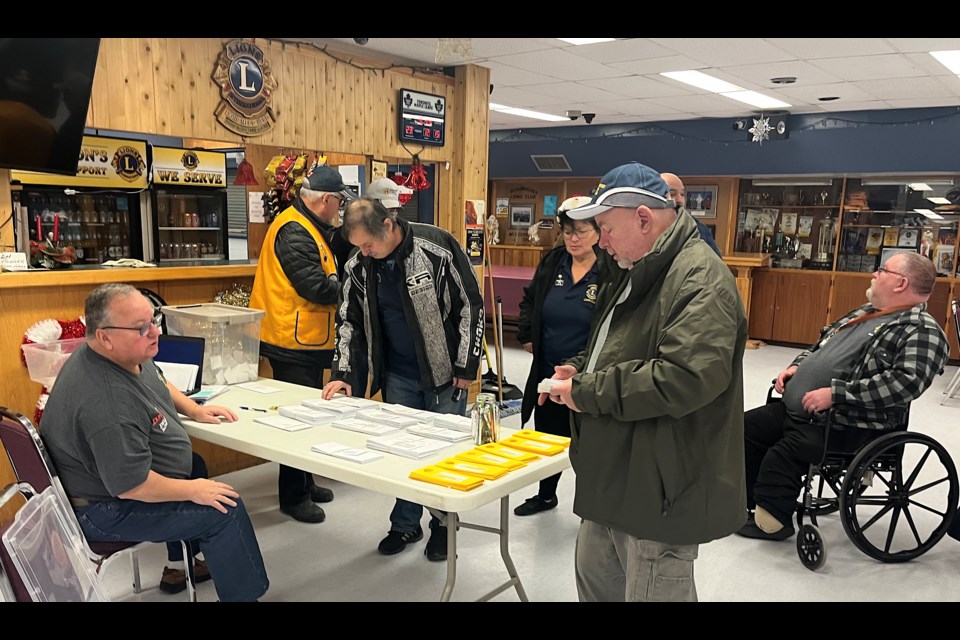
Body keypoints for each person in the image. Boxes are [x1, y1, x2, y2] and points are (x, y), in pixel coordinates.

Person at [542, 161, 747, 602]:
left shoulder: (700, 279)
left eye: (606, 228)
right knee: (598, 583)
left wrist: (587, 392)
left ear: (643, 218)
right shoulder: (638, 267)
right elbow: (620, 343)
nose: (603, 241)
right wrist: (583, 367)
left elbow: (684, 377)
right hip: (614, 471)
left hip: (660, 483)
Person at [40, 283, 269, 602]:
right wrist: (193, 490)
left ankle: (182, 564)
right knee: (223, 508)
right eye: (141, 327)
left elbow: (157, 378)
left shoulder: (119, 352)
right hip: (104, 510)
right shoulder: (106, 404)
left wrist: (194, 409)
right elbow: (131, 486)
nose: (154, 333)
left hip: (108, 487)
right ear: (105, 336)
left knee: (194, 466)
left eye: (154, 321)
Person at [738, 252, 949, 540]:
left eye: (881, 271)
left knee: (783, 455)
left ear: (900, 283)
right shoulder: (864, 313)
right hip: (804, 411)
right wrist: (797, 366)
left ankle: (773, 522)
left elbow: (905, 383)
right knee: (745, 429)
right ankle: (748, 502)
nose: (874, 275)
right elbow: (820, 347)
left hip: (850, 423)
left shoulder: (923, 331)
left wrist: (837, 394)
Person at [321, 197, 484, 562]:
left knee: (442, 456)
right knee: (402, 453)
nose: (365, 251)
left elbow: (471, 306)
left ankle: (443, 526)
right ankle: (405, 524)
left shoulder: (437, 247)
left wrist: (465, 368)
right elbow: (348, 321)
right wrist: (344, 374)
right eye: (359, 246)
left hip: (445, 376)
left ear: (389, 226)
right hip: (396, 374)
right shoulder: (359, 265)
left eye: (369, 244)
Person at [249, 165, 355, 523]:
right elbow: (316, 287)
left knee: (309, 416)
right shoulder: (294, 230)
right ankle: (293, 496)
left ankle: (305, 482)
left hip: (305, 340)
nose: (339, 209)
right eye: (339, 202)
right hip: (289, 343)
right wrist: (349, 286)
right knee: (296, 421)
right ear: (325, 199)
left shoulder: (309, 225)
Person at [513, 194, 605, 516]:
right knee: (547, 435)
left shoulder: (609, 268)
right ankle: (546, 494)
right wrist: (526, 336)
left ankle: (593, 505)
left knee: (588, 441)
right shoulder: (554, 262)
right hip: (548, 369)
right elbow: (530, 300)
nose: (573, 238)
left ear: (598, 231)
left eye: (581, 231)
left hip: (588, 372)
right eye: (567, 232)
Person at [660, 172, 722, 256]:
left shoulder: (699, 229)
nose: (680, 200)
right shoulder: (644, 229)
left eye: (682, 194)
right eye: (672, 194)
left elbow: (714, 265)